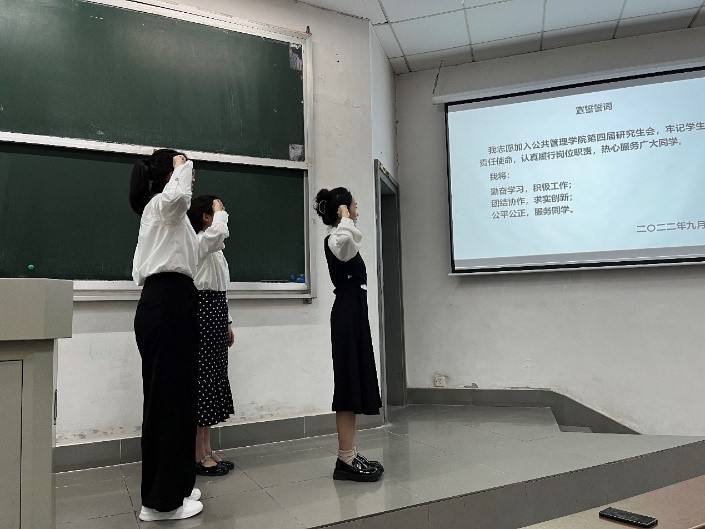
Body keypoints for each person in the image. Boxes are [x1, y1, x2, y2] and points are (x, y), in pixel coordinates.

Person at [129, 149, 203, 521]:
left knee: (178, 400)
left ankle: (178, 486)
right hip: (167, 302)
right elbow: (178, 197)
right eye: (183, 167)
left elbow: (198, 250)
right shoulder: (161, 205)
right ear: (170, 173)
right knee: (167, 403)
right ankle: (160, 503)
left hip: (174, 301)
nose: (190, 174)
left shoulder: (170, 217)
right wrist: (181, 164)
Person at [313, 187, 385, 482]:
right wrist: (344, 217)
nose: (357, 211)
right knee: (347, 383)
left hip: (354, 312)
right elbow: (347, 244)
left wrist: (345, 218)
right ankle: (345, 458)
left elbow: (352, 241)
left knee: (353, 380)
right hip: (346, 313)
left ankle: (350, 453)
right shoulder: (336, 238)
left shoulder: (343, 235)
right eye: (353, 206)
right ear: (342, 209)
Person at [187, 195, 236, 476]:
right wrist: (219, 212)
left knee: (214, 379)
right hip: (202, 314)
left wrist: (227, 322)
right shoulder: (198, 241)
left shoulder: (215, 248)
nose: (222, 213)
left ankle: (206, 448)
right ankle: (197, 454)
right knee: (203, 383)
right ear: (206, 217)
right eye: (217, 210)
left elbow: (221, 288)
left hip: (216, 313)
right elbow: (217, 234)